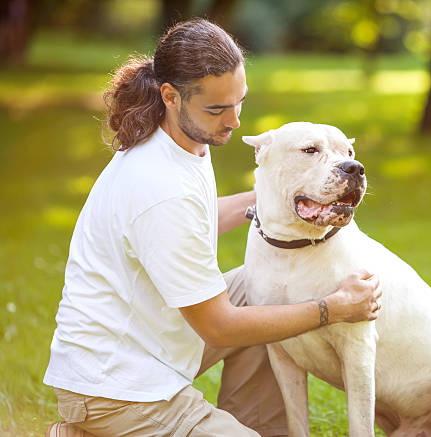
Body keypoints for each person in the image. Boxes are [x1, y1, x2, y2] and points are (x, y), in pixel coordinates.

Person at [43, 18, 382, 437]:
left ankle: (253, 425)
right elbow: (218, 325)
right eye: (218, 109)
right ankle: (90, 430)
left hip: (146, 341)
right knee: (267, 305)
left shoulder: (184, 139)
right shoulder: (160, 187)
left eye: (238, 101)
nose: (235, 121)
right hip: (117, 388)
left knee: (262, 285)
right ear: (171, 97)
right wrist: (332, 309)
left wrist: (280, 201)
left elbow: (195, 217)